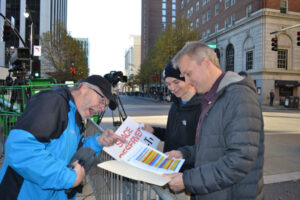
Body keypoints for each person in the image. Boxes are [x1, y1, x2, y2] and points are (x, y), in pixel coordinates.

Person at [164, 42, 264, 200]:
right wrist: (183, 153)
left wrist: (188, 180)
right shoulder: (211, 98)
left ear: (205, 63)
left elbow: (239, 161)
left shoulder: (239, 96)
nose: (188, 82)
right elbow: (211, 148)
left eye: (189, 74)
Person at [0, 75, 126, 200]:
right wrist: (69, 178)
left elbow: (71, 155)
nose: (102, 108)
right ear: (84, 88)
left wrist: (98, 141)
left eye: (105, 106)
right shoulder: (53, 102)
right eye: (102, 101)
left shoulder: (75, 115)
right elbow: (20, 149)